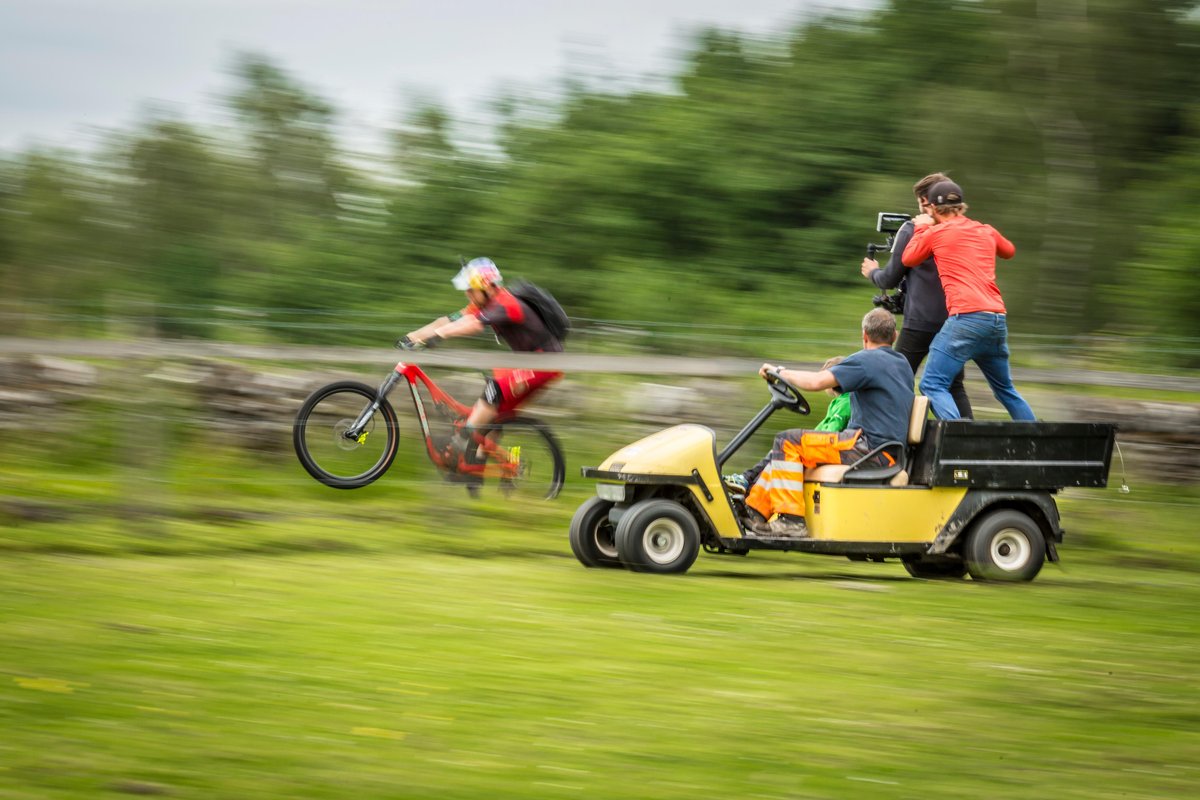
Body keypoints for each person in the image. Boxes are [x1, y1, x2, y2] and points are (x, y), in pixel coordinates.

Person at [740, 309, 914, 537]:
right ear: (894, 336)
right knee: (786, 451)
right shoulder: (902, 363)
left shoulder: (866, 361)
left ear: (864, 336)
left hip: (869, 450)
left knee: (787, 441)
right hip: (885, 451)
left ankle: (791, 520)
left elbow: (816, 382)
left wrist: (779, 371)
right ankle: (753, 511)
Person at [400, 257, 564, 467]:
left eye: (471, 290)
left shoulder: (506, 303)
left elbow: (475, 325)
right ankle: (476, 465)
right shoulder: (485, 302)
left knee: (494, 391)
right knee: (495, 411)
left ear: (486, 287)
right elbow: (449, 320)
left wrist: (438, 337)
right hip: (526, 361)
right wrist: (414, 336)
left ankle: (460, 441)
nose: (468, 295)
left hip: (545, 362)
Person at [900, 180, 1035, 421]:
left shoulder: (934, 232)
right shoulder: (986, 230)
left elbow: (908, 258)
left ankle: (956, 441)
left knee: (932, 385)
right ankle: (1038, 446)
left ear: (931, 207)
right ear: (961, 207)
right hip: (996, 319)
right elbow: (1009, 251)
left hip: (966, 318)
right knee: (1005, 390)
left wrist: (921, 227)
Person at [861, 172, 973, 418]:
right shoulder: (967, 230)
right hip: (956, 320)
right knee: (953, 385)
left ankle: (891, 439)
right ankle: (966, 444)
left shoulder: (912, 229)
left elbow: (889, 278)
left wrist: (872, 271)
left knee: (897, 378)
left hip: (920, 321)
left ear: (926, 201)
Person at [723, 355, 851, 495]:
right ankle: (747, 488)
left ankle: (746, 481)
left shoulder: (846, 402)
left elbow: (832, 430)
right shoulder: (840, 402)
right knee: (777, 453)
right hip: (826, 445)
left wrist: (808, 439)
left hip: (829, 448)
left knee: (782, 449)